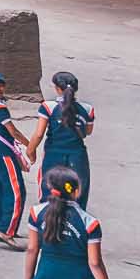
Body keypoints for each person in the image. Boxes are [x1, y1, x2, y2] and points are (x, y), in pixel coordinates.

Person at [18, 170, 130, 279]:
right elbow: (94, 263)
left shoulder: (36, 213)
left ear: (49, 187)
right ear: (76, 191)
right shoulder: (89, 222)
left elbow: (32, 249)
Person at [0, 70, 32, 245]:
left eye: (0, 85)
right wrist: (29, 145)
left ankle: (1, 226)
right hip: (3, 151)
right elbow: (13, 131)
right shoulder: (0, 108)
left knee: (1, 187)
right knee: (16, 191)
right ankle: (7, 231)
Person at [34, 67, 94, 206]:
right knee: (76, 190)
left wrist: (30, 151)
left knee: (50, 188)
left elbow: (39, 134)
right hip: (77, 156)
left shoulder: (48, 107)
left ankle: (48, 222)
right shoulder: (87, 109)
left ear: (57, 88)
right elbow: (88, 132)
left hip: (53, 155)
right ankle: (74, 222)